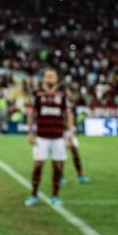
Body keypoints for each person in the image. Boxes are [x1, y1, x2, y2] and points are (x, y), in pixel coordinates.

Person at [25, 68, 73, 207]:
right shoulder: (37, 94)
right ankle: (33, 195)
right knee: (38, 165)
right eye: (47, 76)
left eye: (52, 76)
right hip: (41, 136)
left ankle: (56, 196)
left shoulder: (63, 95)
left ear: (57, 78)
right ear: (44, 79)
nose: (50, 78)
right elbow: (31, 114)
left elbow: (68, 114)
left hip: (58, 136)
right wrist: (30, 132)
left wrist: (70, 132)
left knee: (58, 167)